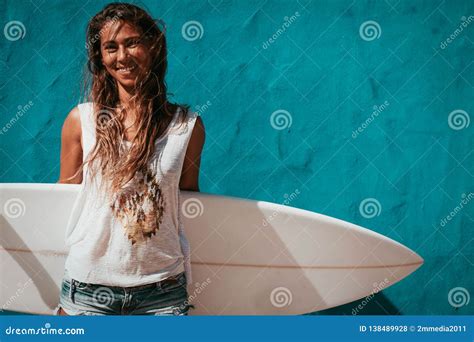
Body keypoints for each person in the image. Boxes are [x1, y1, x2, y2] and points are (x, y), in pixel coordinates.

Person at [55, 2, 205, 315]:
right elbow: (63, 201)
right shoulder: (80, 121)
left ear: (153, 46)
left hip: (162, 290)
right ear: (101, 58)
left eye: (132, 43)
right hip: (88, 290)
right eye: (111, 47)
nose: (122, 56)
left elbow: (187, 202)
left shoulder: (186, 126)